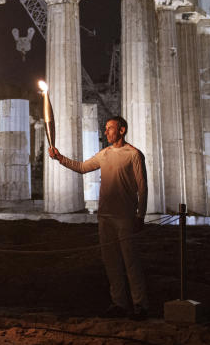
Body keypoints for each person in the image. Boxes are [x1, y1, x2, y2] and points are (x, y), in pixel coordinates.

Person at [48, 115, 149, 320]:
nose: (106, 132)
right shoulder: (104, 154)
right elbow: (82, 167)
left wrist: (140, 216)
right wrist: (60, 157)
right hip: (105, 217)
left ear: (121, 130)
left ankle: (140, 305)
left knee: (131, 262)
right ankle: (119, 303)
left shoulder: (134, 155)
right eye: (105, 128)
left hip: (125, 217)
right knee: (111, 262)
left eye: (110, 128)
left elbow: (142, 187)